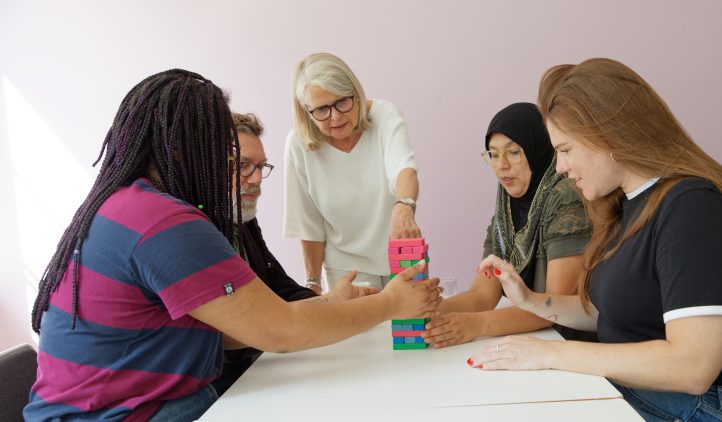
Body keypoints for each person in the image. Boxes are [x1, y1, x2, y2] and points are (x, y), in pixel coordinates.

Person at [24, 69, 441, 421]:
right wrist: (390, 304)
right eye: (223, 146)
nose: (230, 158)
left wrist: (333, 304)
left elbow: (239, 327)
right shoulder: (165, 222)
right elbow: (278, 331)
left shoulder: (121, 204)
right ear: (184, 145)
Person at [468, 58, 722, 422]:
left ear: (607, 134)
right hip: (649, 393)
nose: (560, 168)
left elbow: (693, 367)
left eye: (565, 150)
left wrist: (549, 354)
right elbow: (608, 312)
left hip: (704, 408)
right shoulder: (627, 205)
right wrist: (532, 300)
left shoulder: (695, 208)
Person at [213, 112, 379, 396]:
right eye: (243, 166)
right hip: (226, 387)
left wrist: (331, 302)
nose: (256, 179)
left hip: (261, 370)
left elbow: (281, 287)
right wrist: (355, 307)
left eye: (261, 167)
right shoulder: (198, 232)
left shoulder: (244, 221)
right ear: (211, 165)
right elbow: (248, 327)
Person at [422, 103, 592, 349]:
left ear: (537, 150)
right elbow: (483, 294)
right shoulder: (507, 203)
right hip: (536, 343)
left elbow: (558, 303)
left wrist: (475, 325)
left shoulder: (566, 196)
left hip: (574, 344)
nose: (501, 165)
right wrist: (426, 309)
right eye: (492, 154)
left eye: (513, 153)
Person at [284, 52, 421, 293]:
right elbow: (309, 224)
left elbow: (403, 168)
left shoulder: (385, 116)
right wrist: (313, 284)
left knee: (411, 325)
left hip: (399, 254)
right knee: (361, 329)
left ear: (356, 94)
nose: (335, 117)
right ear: (306, 110)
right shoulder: (298, 144)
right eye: (322, 110)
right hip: (346, 270)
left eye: (342, 103)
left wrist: (404, 206)